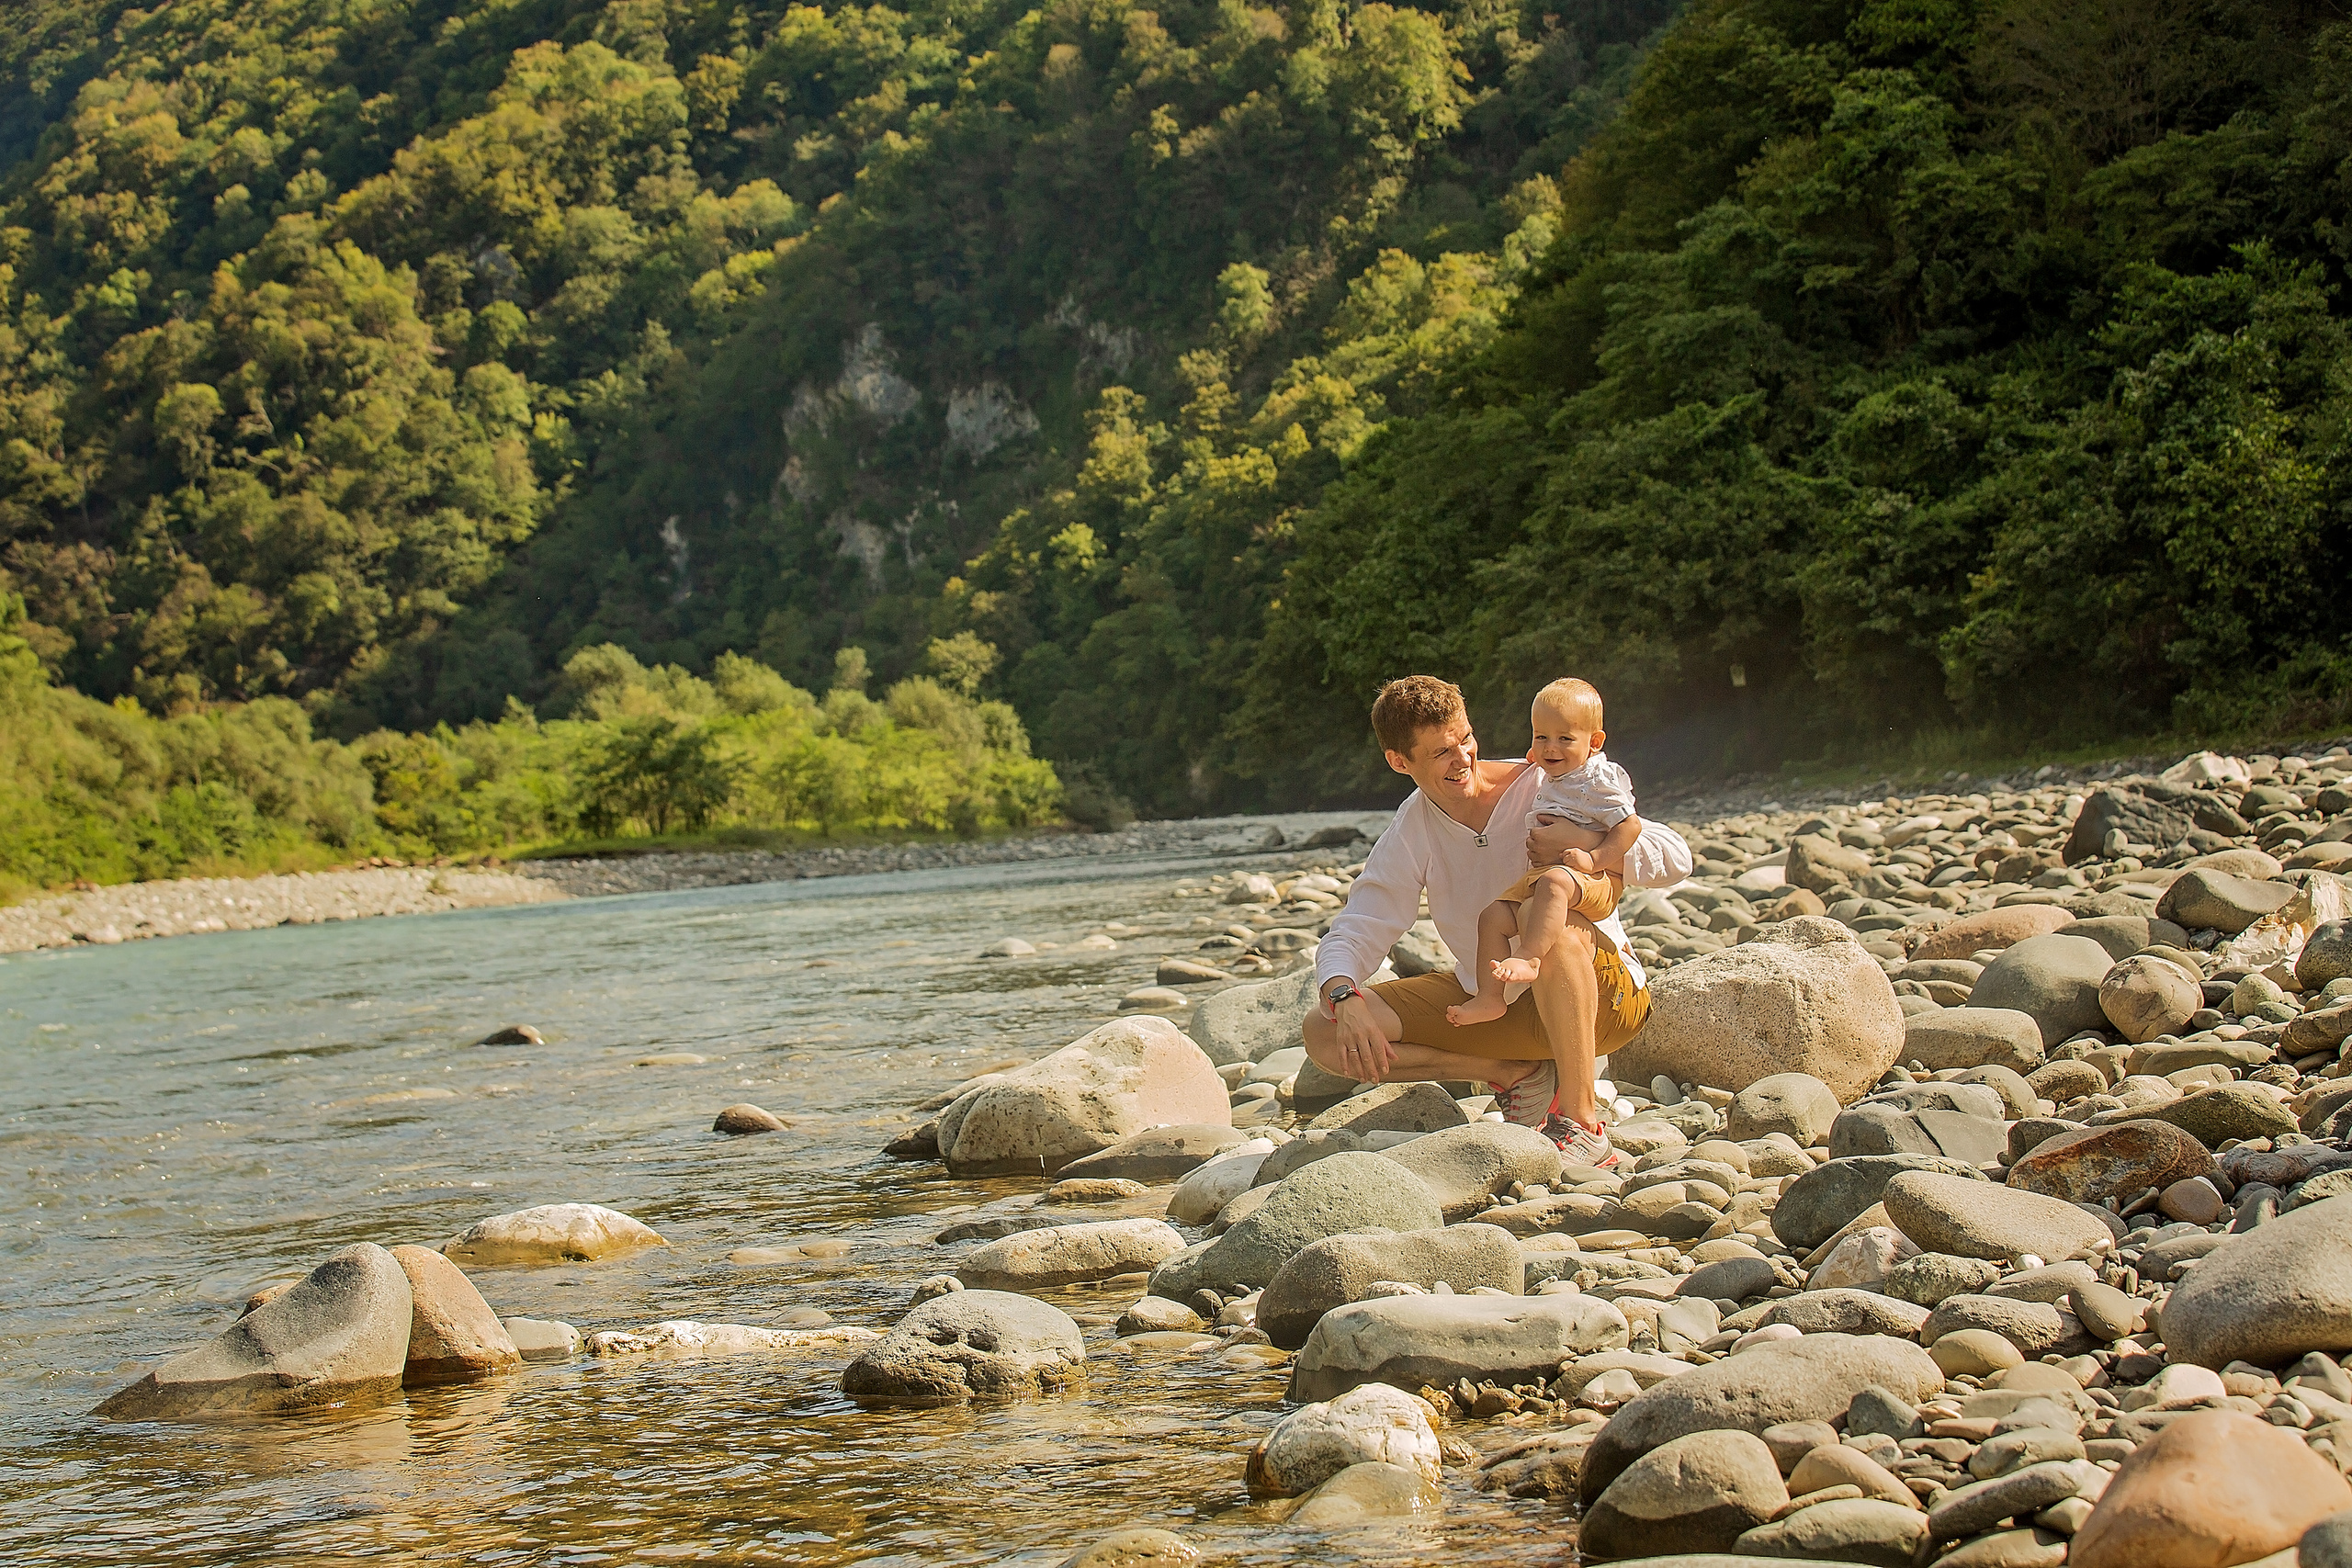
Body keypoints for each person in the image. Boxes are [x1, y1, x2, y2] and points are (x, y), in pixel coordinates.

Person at [1299, 675, 1690, 1168]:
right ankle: (1512, 1073)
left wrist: (1585, 843)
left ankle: (1583, 1123)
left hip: (1601, 1001)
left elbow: (1676, 856)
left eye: (1465, 739)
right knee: (1325, 1032)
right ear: (1400, 762)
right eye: (1442, 752)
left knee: (1551, 926)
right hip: (1495, 1004)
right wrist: (1343, 994)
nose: (1462, 758)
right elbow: (1362, 922)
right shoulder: (1413, 827)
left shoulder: (1549, 781)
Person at [1445, 677, 1638, 1027]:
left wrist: (1592, 856)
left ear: (1594, 743)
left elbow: (1630, 826)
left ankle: (1530, 957)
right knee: (1492, 916)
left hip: (1587, 876)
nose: (1551, 748)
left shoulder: (1597, 779)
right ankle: (1490, 998)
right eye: (1541, 737)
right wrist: (1540, 758)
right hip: (1546, 876)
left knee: (1554, 883)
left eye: (1565, 739)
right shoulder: (1557, 770)